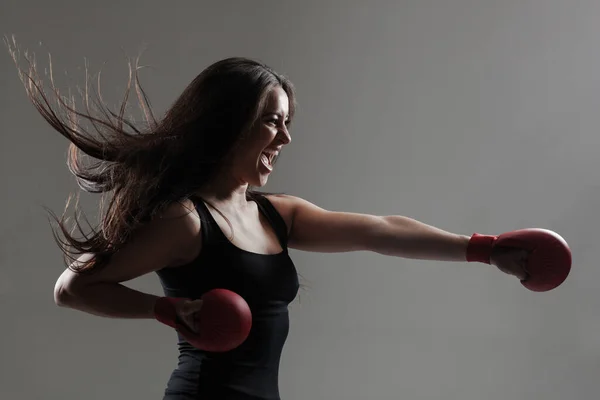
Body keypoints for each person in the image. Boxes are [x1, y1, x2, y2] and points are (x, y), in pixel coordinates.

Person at [9, 51, 528, 399]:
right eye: (272, 121)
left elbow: (380, 230)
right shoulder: (185, 222)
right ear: (230, 123)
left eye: (287, 123)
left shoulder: (275, 214)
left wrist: (484, 249)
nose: (284, 138)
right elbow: (73, 288)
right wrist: (164, 308)